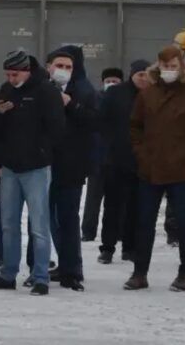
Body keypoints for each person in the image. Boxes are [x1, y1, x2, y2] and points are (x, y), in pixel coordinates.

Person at [124, 46, 185, 292]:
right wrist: (141, 154)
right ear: (158, 68)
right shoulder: (147, 95)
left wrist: (184, 155)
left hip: (181, 170)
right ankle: (139, 272)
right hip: (149, 169)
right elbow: (135, 127)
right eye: (165, 67)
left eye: (173, 67)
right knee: (144, 223)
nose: (169, 71)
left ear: (181, 68)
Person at [0, 49, 64, 296]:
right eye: (7, 74)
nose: (11, 78)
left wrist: (42, 152)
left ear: (26, 71)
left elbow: (57, 128)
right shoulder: (7, 90)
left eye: (14, 74)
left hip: (36, 167)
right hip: (9, 167)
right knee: (8, 223)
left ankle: (40, 277)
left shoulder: (46, 91)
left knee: (39, 225)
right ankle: (8, 273)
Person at [35, 46, 97, 291]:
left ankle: (73, 270)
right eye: (58, 66)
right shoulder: (40, 88)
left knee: (68, 218)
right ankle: (46, 266)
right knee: (45, 218)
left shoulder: (83, 90)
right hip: (42, 163)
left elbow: (94, 122)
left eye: (68, 67)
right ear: (48, 66)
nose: (63, 71)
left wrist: (71, 105)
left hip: (71, 165)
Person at [98, 60, 150, 265]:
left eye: (147, 75)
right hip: (116, 159)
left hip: (143, 161)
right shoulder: (116, 93)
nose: (143, 79)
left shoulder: (153, 94)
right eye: (140, 75)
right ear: (132, 75)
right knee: (113, 206)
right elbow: (102, 119)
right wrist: (110, 144)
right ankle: (107, 248)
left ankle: (130, 248)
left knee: (136, 208)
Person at [81, 67, 123, 242]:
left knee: (118, 200)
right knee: (93, 198)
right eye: (108, 81)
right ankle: (88, 232)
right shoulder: (95, 99)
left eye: (115, 81)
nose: (111, 84)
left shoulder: (125, 100)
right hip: (97, 157)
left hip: (119, 158)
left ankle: (118, 232)